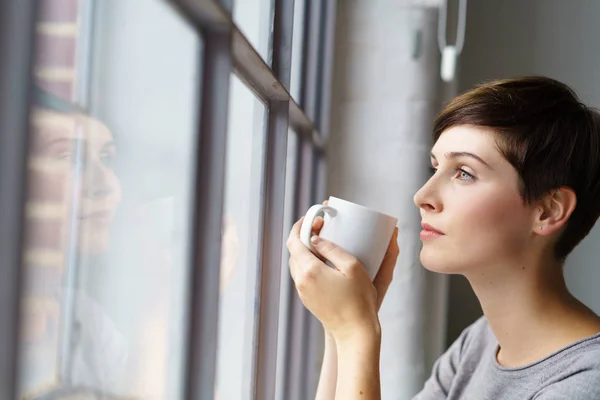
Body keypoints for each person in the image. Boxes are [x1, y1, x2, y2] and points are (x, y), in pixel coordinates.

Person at [286, 76, 600, 399]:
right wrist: (338, 328)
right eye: (435, 167)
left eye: (464, 173)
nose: (422, 196)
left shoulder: (586, 382)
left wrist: (357, 332)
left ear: (548, 211)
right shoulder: (478, 346)